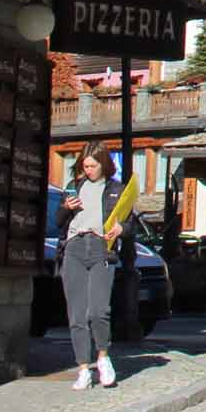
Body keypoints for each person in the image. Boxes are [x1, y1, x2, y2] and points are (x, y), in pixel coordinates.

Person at [58, 144, 124, 390]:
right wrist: (66, 208)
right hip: (74, 248)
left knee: (98, 311)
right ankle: (83, 368)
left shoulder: (116, 189)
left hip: (101, 248)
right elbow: (58, 221)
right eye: (85, 166)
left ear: (104, 164)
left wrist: (121, 229)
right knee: (76, 314)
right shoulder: (74, 187)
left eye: (93, 166)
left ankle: (103, 356)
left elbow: (130, 225)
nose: (88, 170)